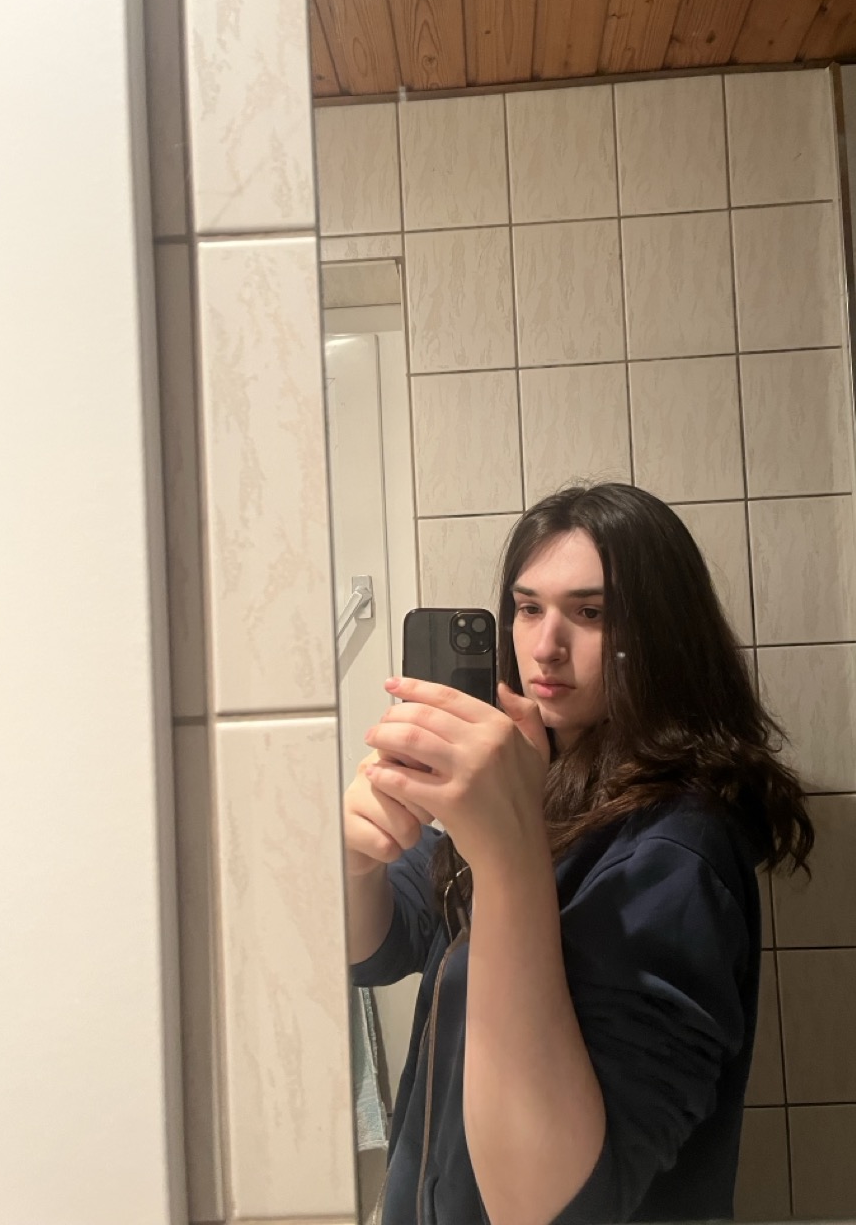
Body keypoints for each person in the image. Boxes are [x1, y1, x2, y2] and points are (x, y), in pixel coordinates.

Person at [343, 483, 812, 1225]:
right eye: (528, 608)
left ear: (659, 633)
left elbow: (550, 1207)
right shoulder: (532, 778)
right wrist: (354, 863)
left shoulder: (675, 853)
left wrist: (508, 858)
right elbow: (381, 944)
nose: (544, 647)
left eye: (590, 614)